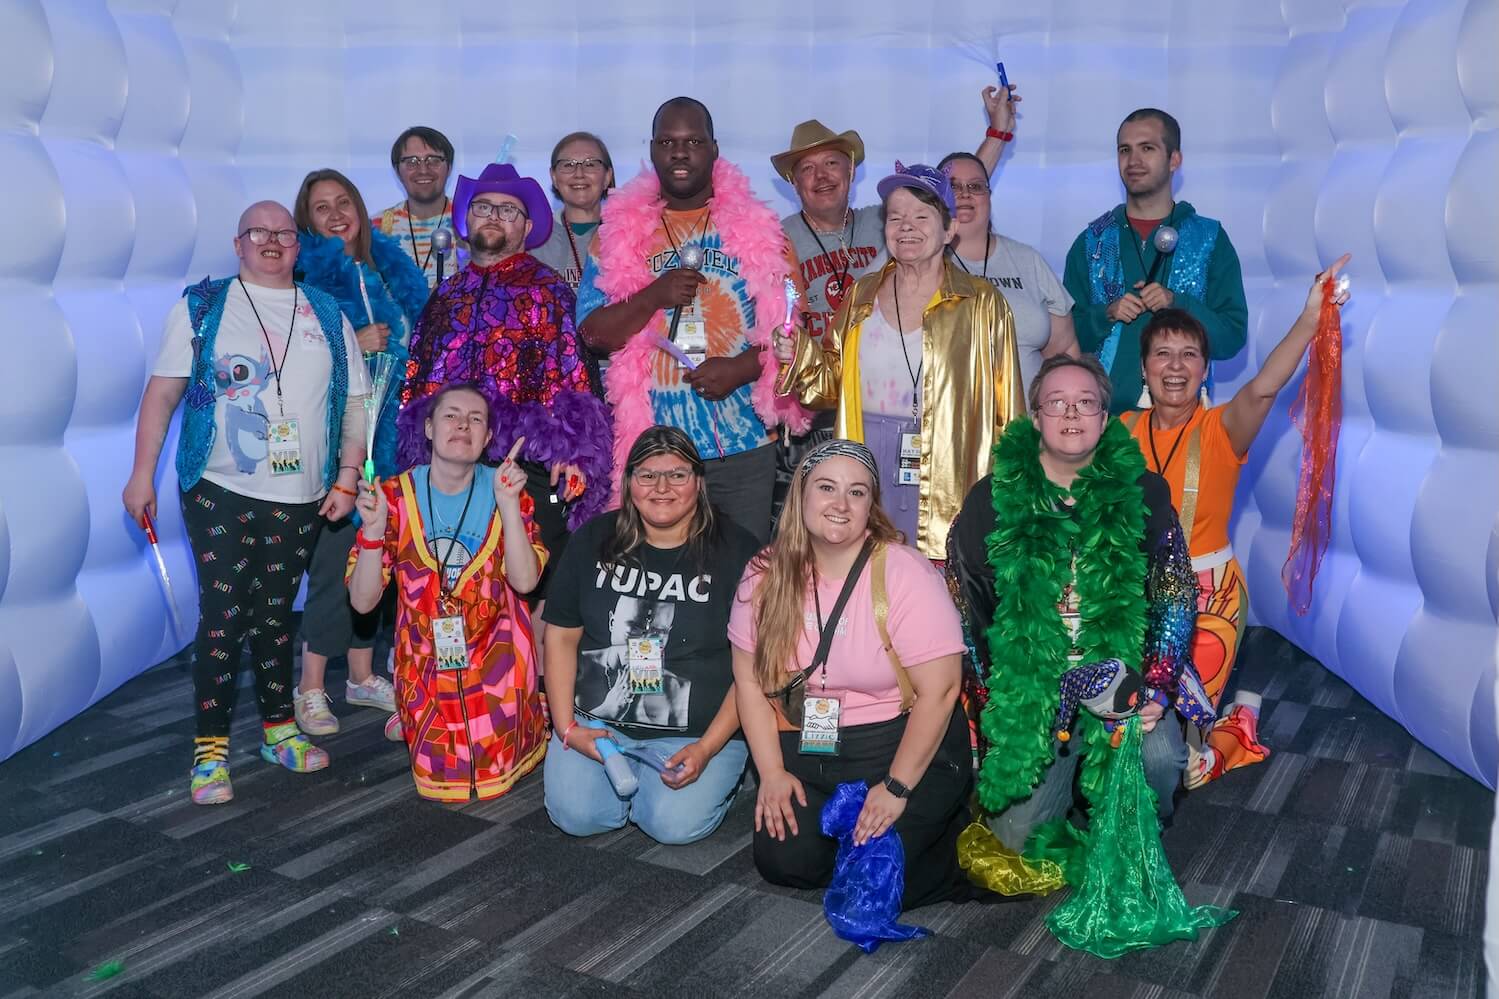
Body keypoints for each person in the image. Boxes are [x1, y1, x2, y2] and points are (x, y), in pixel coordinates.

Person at [121, 201, 368, 805]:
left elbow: (357, 402)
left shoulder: (327, 312)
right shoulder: (203, 306)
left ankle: (279, 729)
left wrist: (346, 477)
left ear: (298, 245)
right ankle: (210, 750)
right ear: (238, 243)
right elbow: (162, 396)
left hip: (303, 494)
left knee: (277, 613)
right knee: (225, 615)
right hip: (218, 486)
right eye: (260, 232)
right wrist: (141, 475)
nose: (273, 241)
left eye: (285, 232)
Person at [946, 354, 1198, 852]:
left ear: (1105, 419)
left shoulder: (1146, 493)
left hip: (1121, 681)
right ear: (1034, 416)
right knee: (1016, 843)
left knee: (1160, 759)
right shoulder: (989, 502)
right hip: (1037, 693)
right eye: (1056, 403)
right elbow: (965, 611)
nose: (1071, 415)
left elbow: (1176, 596)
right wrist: (1003, 700)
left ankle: (1131, 807)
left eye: (1086, 404)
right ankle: (1067, 792)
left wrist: (1157, 688)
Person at [1124, 257, 1351, 788]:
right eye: (1162, 354)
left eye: (1189, 355)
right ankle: (1220, 717)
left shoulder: (1222, 427)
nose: (1175, 366)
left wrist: (1310, 316)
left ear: (1206, 369)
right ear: (1143, 368)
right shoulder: (1117, 432)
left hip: (1210, 600)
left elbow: (1266, 387)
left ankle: (1237, 726)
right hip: (1136, 597)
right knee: (1127, 736)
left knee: (1183, 773)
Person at [729, 439, 973, 909]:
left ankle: (939, 830)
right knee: (785, 863)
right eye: (826, 488)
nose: (841, 504)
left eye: (857, 492)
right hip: (811, 745)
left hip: (900, 745)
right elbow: (749, 682)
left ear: (870, 506)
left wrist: (897, 788)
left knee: (878, 884)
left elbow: (941, 693)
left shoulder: (904, 574)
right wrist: (773, 774)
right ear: (800, 496)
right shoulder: (764, 572)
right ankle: (853, 841)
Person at [767, 87, 1019, 514]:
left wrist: (997, 133)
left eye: (921, 218)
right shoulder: (862, 295)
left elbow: (1008, 411)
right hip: (862, 452)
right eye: (896, 217)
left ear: (948, 229)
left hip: (949, 460)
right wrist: (798, 354)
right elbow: (831, 377)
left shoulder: (982, 303)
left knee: (938, 571)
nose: (906, 227)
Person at [578, 97, 810, 545]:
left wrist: (740, 369)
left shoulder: (764, 230)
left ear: (714, 148)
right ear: (651, 150)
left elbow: (794, 335)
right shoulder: (616, 233)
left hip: (743, 451)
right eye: (667, 141)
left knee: (740, 588)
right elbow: (593, 334)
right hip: (654, 456)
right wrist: (653, 295)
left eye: (692, 141)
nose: (679, 152)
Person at [398, 162, 612, 630]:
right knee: (456, 577)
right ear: (466, 219)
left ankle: (533, 691)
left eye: (508, 210)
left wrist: (572, 451)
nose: (494, 216)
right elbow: (418, 384)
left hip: (528, 463)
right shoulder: (445, 296)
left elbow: (576, 377)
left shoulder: (550, 291)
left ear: (528, 226)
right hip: (452, 466)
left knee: (535, 584)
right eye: (483, 207)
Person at [541, 426, 759, 844]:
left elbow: (754, 667)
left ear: (699, 481)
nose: (662, 487)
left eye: (677, 475)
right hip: (599, 726)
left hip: (695, 730)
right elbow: (562, 636)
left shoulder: (738, 550)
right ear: (629, 483)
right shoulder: (593, 538)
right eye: (647, 475)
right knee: (575, 816)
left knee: (672, 827)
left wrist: (708, 748)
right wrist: (566, 726)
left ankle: (716, 774)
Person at [348, 383, 548, 801]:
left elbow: (526, 582)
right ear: (428, 428)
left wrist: (509, 505)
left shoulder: (508, 489)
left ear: (490, 437)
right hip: (426, 671)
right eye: (451, 415)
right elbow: (363, 602)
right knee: (440, 785)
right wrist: (370, 533)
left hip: (500, 671)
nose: (463, 425)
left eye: (476, 419)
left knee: (501, 783)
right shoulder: (394, 498)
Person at [290, 168, 430, 736]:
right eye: (320, 207)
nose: (334, 213)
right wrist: (351, 334)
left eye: (342, 201)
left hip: (397, 438)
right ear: (308, 223)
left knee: (381, 562)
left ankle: (363, 676)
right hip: (340, 444)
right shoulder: (306, 282)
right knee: (334, 566)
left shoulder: (389, 268)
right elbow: (297, 362)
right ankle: (311, 687)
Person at [1062, 108, 1247, 414]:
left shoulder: (1209, 238)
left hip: (1182, 426)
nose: (1133, 161)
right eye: (1125, 150)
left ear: (1175, 159)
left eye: (1147, 148)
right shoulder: (1092, 242)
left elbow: (1231, 338)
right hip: (1102, 427)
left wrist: (1179, 304)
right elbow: (1061, 339)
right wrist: (1106, 314)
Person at [938, 151, 1078, 391]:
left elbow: (1065, 352)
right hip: (945, 423)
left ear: (990, 197)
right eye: (953, 186)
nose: (964, 194)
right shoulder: (915, 262)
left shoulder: (1028, 260)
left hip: (1024, 425)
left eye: (976, 186)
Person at [376, 125, 465, 289]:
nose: (423, 170)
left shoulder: (469, 221)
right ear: (397, 170)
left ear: (450, 167)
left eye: (434, 161)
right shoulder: (377, 227)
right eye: (411, 162)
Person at [532, 131, 615, 293]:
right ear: (554, 177)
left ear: (607, 177)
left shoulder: (629, 233)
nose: (579, 174)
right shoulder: (532, 238)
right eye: (568, 165)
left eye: (590, 164)